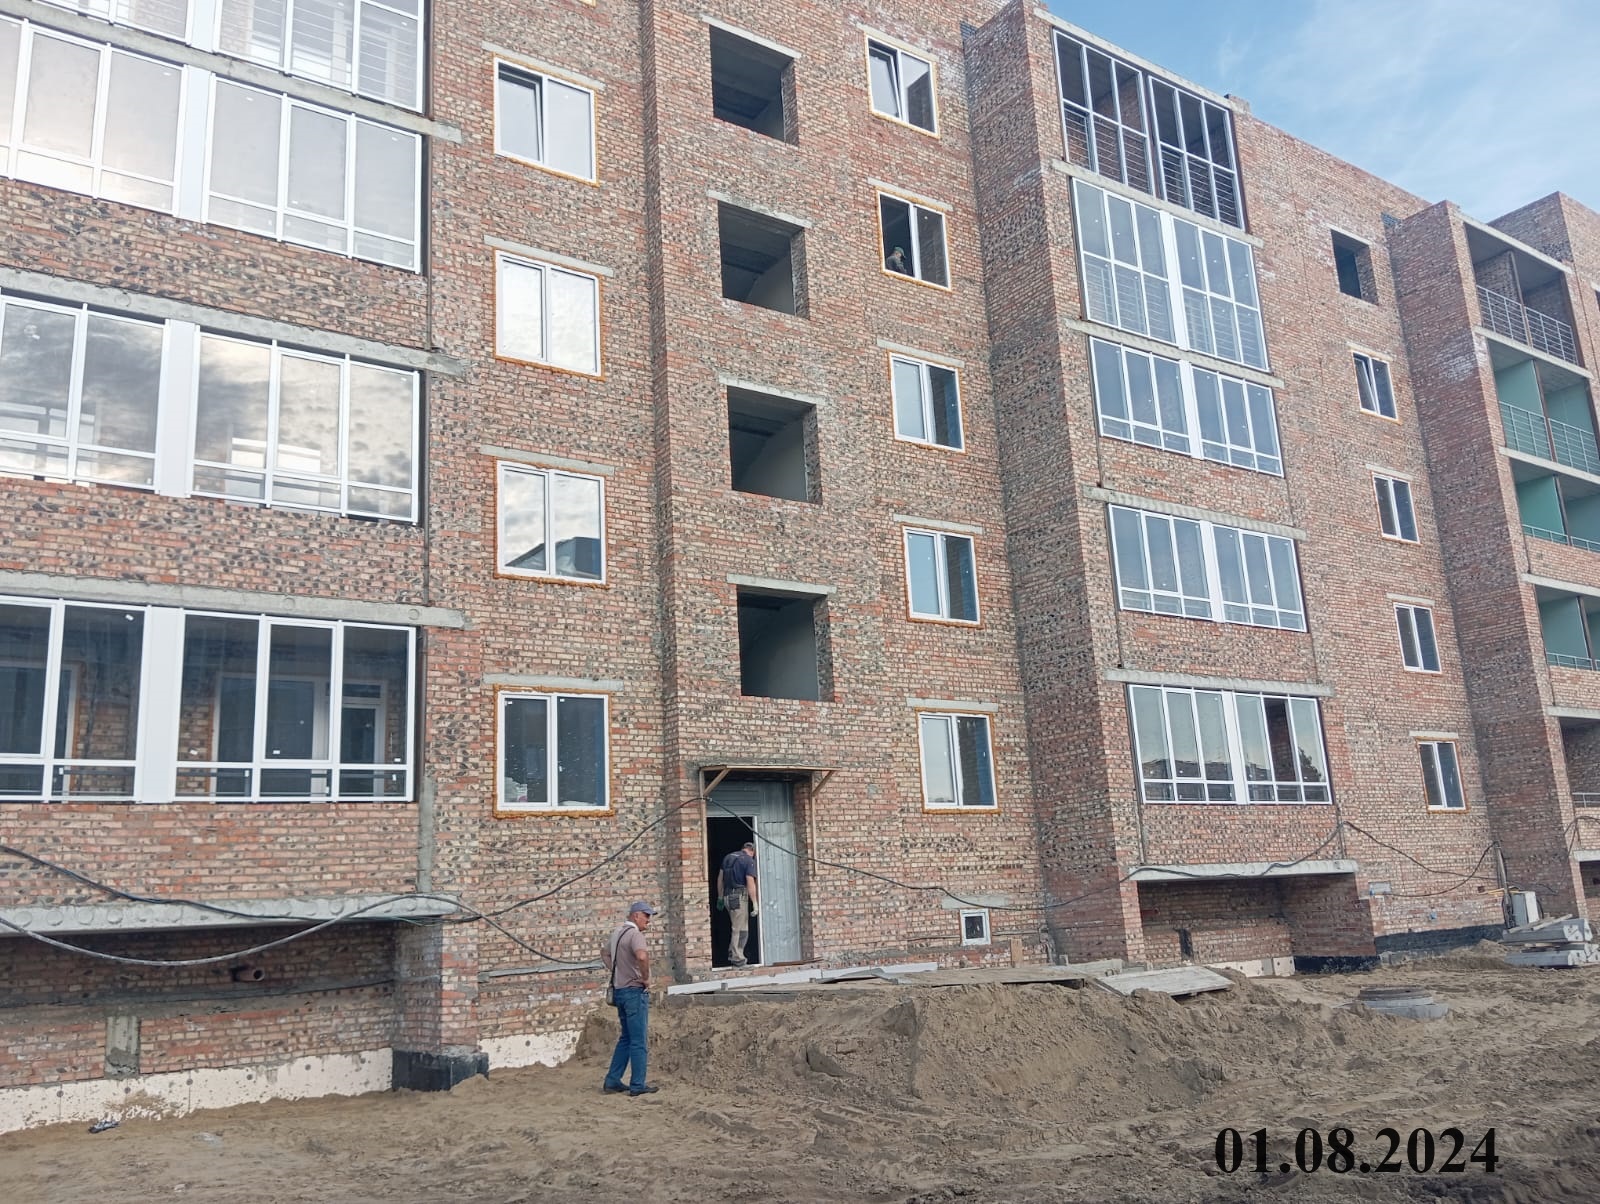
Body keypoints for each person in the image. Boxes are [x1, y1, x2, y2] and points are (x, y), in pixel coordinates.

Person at [600, 901, 659, 1096]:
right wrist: (645, 978)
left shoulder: (617, 933)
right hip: (634, 992)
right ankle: (637, 1085)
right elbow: (642, 957)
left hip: (619, 991)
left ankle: (612, 1080)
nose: (648, 920)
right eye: (646, 916)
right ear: (636, 915)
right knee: (638, 1040)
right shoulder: (635, 935)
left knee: (626, 1037)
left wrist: (618, 971)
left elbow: (604, 953)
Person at [717, 841, 759, 967]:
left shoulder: (728, 857)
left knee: (742, 927)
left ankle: (736, 952)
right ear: (752, 851)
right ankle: (736, 957)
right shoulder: (748, 860)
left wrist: (720, 897)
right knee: (738, 928)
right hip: (739, 897)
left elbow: (720, 879)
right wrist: (755, 902)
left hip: (727, 896)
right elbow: (750, 882)